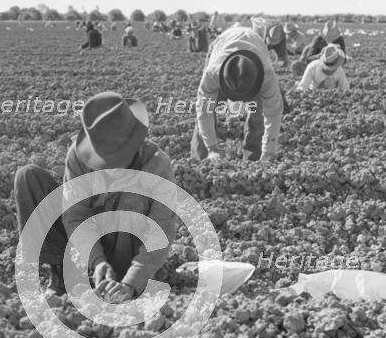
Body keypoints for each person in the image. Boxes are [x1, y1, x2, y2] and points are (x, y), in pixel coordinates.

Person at [14, 92, 177, 300]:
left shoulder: (157, 166)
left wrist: (132, 282)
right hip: (88, 246)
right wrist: (97, 261)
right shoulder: (78, 156)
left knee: (131, 197)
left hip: (128, 251)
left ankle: (121, 276)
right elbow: (75, 214)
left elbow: (161, 231)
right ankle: (63, 272)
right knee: (29, 177)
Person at [190, 24, 284, 163]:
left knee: (257, 119)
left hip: (256, 46)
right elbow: (204, 111)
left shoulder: (266, 75)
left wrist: (268, 152)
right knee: (207, 112)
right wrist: (212, 149)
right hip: (221, 44)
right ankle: (199, 163)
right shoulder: (213, 72)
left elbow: (273, 113)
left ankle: (254, 162)